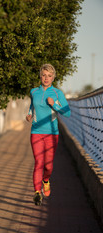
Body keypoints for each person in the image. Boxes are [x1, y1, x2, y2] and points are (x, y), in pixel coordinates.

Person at [26, 63, 71, 205]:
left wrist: (54, 105)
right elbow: (32, 106)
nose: (46, 78)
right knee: (39, 162)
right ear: (40, 76)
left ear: (53, 78)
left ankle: (46, 180)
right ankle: (37, 192)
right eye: (44, 75)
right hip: (36, 132)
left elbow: (67, 113)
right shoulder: (34, 91)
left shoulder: (57, 93)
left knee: (48, 166)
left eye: (49, 76)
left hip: (52, 134)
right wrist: (28, 115)